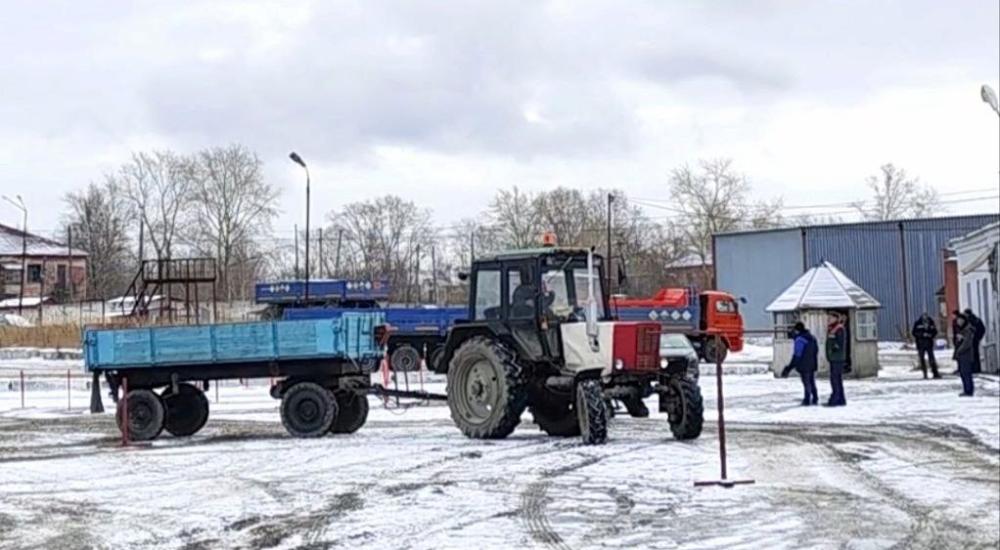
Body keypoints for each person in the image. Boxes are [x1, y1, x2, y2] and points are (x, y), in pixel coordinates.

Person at [781, 322, 819, 406]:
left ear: (797, 330)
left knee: (806, 383)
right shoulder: (812, 338)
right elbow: (816, 350)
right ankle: (815, 398)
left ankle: (807, 399)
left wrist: (789, 367)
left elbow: (797, 355)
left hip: (803, 364)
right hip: (812, 363)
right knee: (812, 381)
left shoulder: (800, 340)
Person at [824, 312, 848, 406]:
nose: (828, 320)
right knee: (837, 379)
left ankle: (835, 399)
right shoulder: (832, 328)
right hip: (834, 358)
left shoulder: (839, 329)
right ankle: (840, 399)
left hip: (837, 358)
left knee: (835, 380)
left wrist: (833, 350)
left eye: (830, 318)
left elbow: (839, 343)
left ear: (835, 318)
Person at [911, 312, 940, 379]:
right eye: (924, 317)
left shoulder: (931, 322)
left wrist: (930, 335)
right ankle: (925, 374)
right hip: (920, 344)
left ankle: (935, 373)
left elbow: (935, 331)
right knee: (922, 359)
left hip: (929, 343)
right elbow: (914, 332)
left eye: (926, 317)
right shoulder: (918, 323)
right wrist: (922, 335)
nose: (925, 318)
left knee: (931, 359)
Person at [954, 315, 977, 396]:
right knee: (963, 373)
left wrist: (959, 351)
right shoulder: (961, 330)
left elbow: (967, 343)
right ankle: (966, 389)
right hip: (962, 355)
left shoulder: (967, 330)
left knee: (966, 373)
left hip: (966, 354)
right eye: (958, 320)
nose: (958, 322)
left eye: (960, 320)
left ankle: (968, 390)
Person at [964, 309, 986, 374]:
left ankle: (973, 368)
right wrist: (979, 337)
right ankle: (977, 368)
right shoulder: (977, 319)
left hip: (971, 340)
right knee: (976, 354)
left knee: (971, 354)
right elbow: (983, 329)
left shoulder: (969, 321)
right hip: (975, 339)